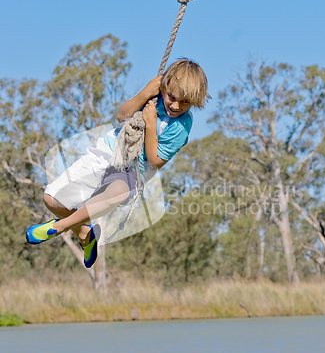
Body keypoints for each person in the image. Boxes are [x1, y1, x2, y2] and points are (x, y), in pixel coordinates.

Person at [26, 58, 209, 268]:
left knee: (119, 192)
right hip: (108, 152)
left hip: (132, 169)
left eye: (185, 102)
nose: (175, 105)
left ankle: (58, 227)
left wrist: (150, 124)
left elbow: (155, 161)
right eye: (172, 97)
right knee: (51, 200)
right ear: (165, 85)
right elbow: (122, 115)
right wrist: (145, 93)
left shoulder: (182, 126)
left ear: (196, 101)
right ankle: (84, 234)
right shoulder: (154, 94)